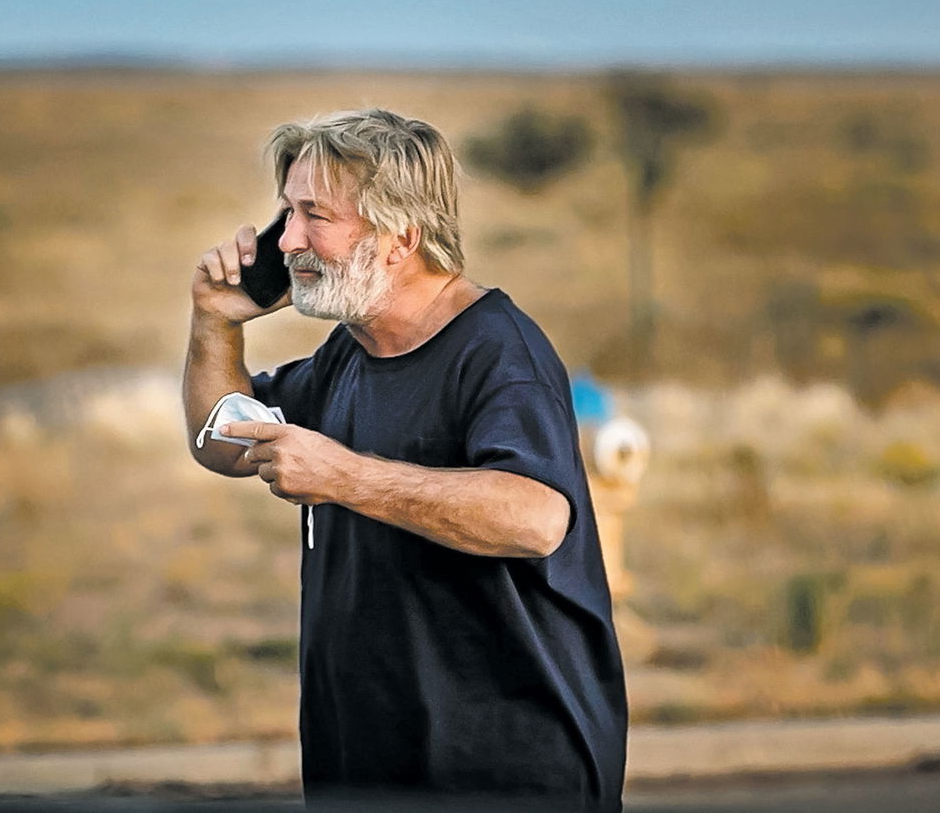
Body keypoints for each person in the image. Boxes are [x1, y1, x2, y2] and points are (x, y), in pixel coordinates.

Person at [182, 109, 627, 811]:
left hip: (500, 772)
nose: (288, 240)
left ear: (401, 237)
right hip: (363, 760)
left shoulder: (497, 353)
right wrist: (214, 321)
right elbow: (222, 440)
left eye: (313, 216)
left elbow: (537, 518)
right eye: (285, 215)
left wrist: (344, 477)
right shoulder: (350, 352)